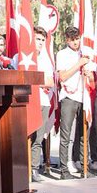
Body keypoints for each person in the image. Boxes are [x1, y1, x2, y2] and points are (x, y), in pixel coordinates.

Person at [55, 26, 88, 178]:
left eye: (77, 39)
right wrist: (78, 64)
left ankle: (83, 167)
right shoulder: (62, 54)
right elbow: (62, 76)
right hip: (69, 97)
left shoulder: (85, 53)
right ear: (67, 40)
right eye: (72, 40)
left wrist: (87, 71)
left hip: (83, 96)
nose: (76, 42)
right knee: (66, 134)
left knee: (83, 134)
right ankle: (64, 169)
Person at [30, 27, 56, 178]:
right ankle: (23, 167)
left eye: (42, 40)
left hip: (43, 102)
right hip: (27, 100)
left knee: (39, 137)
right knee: (26, 136)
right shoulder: (21, 57)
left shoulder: (45, 59)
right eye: (37, 39)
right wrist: (39, 81)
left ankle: (34, 168)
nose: (39, 42)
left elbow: (50, 82)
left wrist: (35, 81)